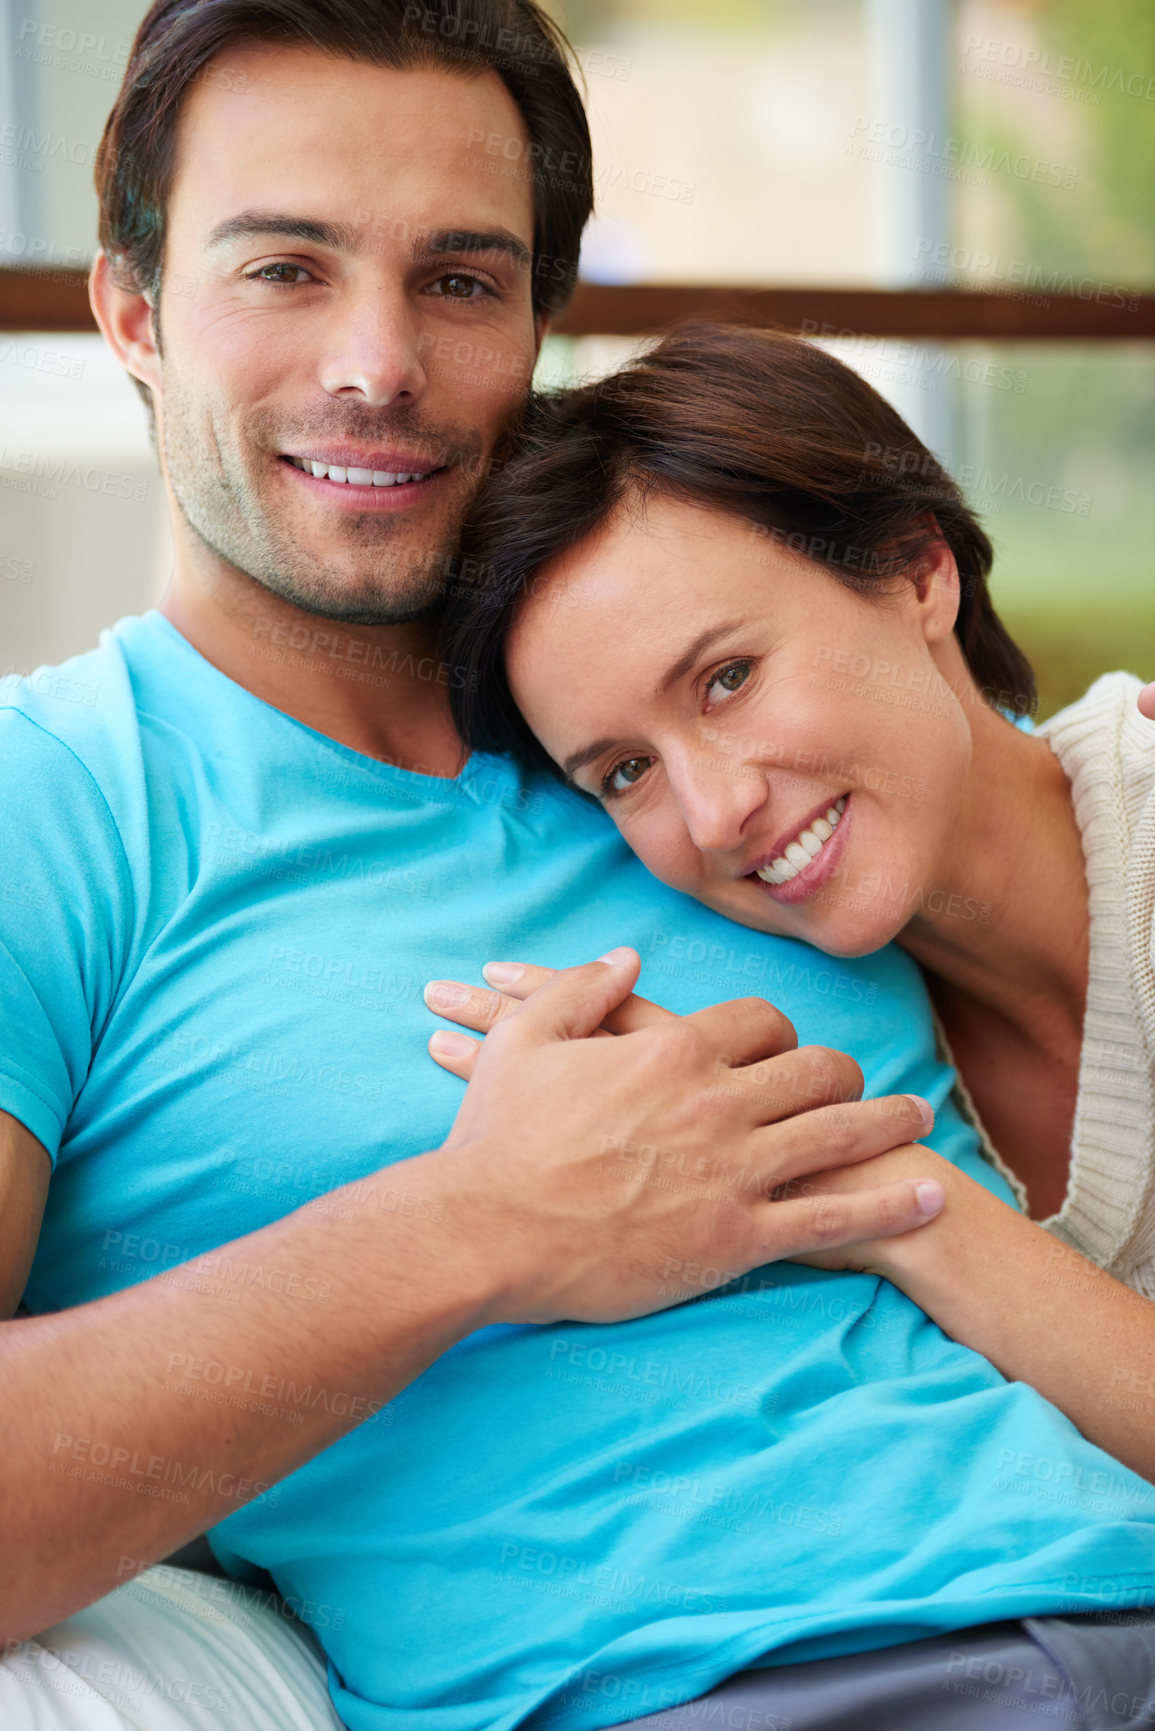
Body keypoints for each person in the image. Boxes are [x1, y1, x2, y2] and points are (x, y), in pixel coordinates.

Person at [2, 5, 1154, 1729]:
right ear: (132, 311)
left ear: (544, 321)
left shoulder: (726, 773)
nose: (377, 363)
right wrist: (472, 1227)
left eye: (460, 280)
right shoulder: (56, 807)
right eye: (286, 270)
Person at [435, 318, 1155, 1476]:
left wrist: (892, 1197)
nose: (717, 813)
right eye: (626, 771)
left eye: (729, 678)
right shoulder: (870, 1025)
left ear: (921, 575)